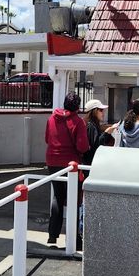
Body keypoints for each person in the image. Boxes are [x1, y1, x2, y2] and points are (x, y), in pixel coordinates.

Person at [45, 91, 90, 247]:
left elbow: (46, 139)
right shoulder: (78, 122)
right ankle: (73, 238)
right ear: (77, 107)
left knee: (57, 196)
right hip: (71, 164)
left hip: (52, 161)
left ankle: (52, 234)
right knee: (74, 200)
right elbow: (82, 147)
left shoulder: (52, 118)